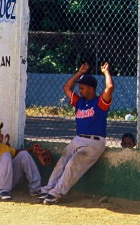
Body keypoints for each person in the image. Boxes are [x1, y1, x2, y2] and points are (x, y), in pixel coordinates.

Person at [38, 62, 114, 205]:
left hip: (94, 143)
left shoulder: (100, 102)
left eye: (83, 88)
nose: (79, 91)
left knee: (73, 163)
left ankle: (56, 193)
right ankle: (49, 188)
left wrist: (106, 73)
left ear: (91, 89)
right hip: (78, 139)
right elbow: (66, 87)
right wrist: (79, 73)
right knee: (62, 162)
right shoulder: (80, 102)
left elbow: (109, 87)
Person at [0, 119, 43, 201]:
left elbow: (17, 153)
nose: (0, 138)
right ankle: (3, 191)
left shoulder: (2, 147)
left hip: (9, 182)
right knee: (6, 155)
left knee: (24, 154)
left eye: (0, 135)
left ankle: (36, 189)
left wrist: (32, 149)